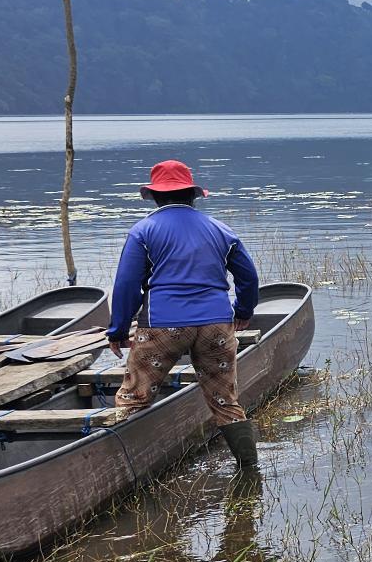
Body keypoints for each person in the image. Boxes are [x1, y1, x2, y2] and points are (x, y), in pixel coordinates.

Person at [106, 159, 262, 471]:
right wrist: (243, 311)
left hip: (163, 327)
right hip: (216, 325)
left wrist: (118, 330)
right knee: (225, 401)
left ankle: (122, 470)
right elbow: (249, 278)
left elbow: (126, 285)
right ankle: (248, 469)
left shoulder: (143, 231)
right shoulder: (221, 230)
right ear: (193, 195)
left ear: (153, 197)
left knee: (133, 398)